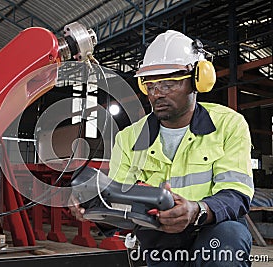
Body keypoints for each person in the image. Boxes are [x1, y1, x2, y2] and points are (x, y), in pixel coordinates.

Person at [69, 30, 254, 266]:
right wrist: (94, 211)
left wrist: (197, 211)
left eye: (168, 84)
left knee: (228, 242)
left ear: (196, 81)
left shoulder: (228, 125)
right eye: (150, 85)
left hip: (214, 229)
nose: (157, 94)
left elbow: (236, 194)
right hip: (159, 237)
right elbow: (120, 204)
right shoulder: (129, 138)